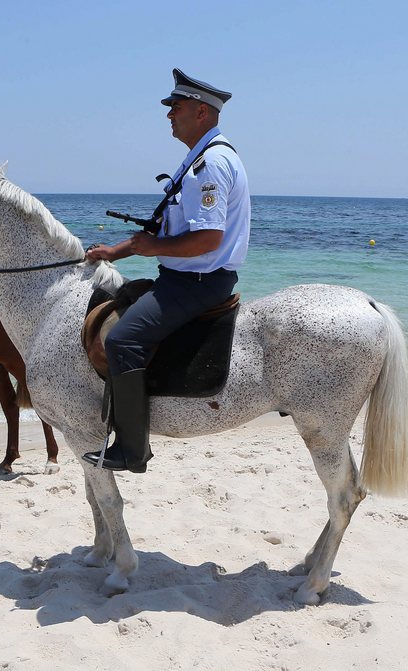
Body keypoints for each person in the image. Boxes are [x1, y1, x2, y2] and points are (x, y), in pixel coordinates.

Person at [82, 68, 250, 473]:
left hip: (198, 281)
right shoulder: (197, 159)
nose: (169, 115)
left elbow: (208, 239)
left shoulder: (210, 165)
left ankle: (132, 451)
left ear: (201, 112)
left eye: (176, 107)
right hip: (185, 276)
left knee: (122, 341)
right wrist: (114, 252)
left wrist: (155, 247)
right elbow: (166, 229)